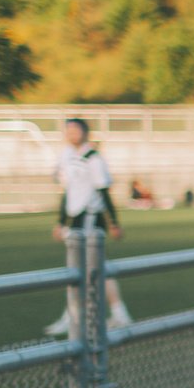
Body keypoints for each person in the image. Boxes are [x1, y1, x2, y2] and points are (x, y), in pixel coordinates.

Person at [45, 119, 134, 335]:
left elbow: (104, 192)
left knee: (88, 268)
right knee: (84, 269)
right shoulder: (68, 156)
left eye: (76, 129)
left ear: (85, 132)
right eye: (68, 130)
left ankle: (81, 316)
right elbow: (68, 192)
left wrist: (113, 223)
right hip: (76, 218)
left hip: (91, 218)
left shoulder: (94, 159)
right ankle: (107, 314)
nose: (72, 134)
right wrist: (60, 222)